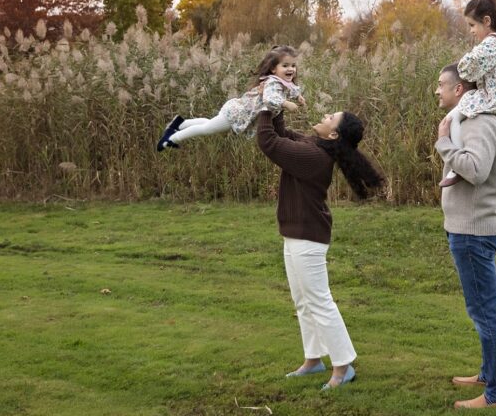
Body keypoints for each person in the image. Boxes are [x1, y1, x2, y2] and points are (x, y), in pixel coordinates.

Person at [255, 108, 384, 390]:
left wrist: (265, 107)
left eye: (330, 118)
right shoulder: (314, 146)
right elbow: (281, 133)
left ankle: (343, 367)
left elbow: (268, 142)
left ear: (334, 134)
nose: (325, 115)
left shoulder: (314, 156)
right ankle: (313, 360)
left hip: (308, 237)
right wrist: (276, 103)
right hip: (296, 234)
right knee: (303, 301)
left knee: (319, 301)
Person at [435, 62, 496, 409]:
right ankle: (488, 374)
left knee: (484, 311)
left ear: (459, 89)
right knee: (482, 308)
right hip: (471, 227)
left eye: (441, 84)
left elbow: (476, 170)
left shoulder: (479, 121)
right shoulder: (474, 119)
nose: (437, 90)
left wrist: (444, 143)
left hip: (473, 230)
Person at [440, 0, 496, 187]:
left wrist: (463, 64)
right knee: (456, 115)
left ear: (486, 21)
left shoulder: (491, 44)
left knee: (451, 119)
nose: (471, 31)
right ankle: (459, 160)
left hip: (489, 98)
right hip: (494, 97)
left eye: (472, 25)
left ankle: (459, 161)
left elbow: (467, 68)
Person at [157, 45, 303, 151]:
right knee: (206, 129)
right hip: (236, 114)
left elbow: (290, 90)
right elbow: (270, 99)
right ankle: (170, 138)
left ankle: (178, 123)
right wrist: (285, 103)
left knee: (209, 123)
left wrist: (298, 97)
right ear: (273, 69)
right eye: (285, 65)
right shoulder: (272, 83)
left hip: (238, 111)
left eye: (293, 65)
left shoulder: (282, 82)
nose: (291, 69)